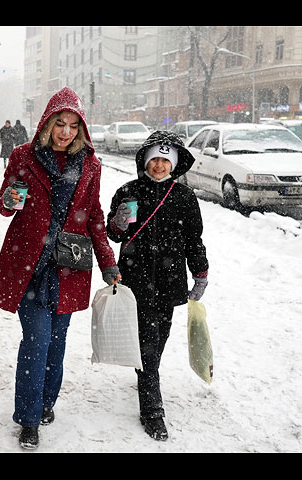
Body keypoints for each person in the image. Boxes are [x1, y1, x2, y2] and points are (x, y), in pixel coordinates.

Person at [0, 87, 121, 450]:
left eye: (72, 125)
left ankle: (46, 402)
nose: (65, 131)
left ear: (81, 129)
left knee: (57, 341)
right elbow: (5, 208)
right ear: (47, 124)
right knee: (36, 340)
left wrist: (108, 264)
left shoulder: (91, 165)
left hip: (69, 267)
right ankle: (29, 418)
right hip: (29, 265)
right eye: (59, 123)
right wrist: (12, 194)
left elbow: (95, 216)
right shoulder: (23, 156)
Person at [106, 130, 209, 442]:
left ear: (174, 164)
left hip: (169, 280)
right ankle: (152, 408)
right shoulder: (129, 191)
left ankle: (146, 371)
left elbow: (194, 239)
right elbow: (115, 233)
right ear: (146, 161)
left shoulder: (184, 197)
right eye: (155, 160)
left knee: (159, 336)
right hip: (135, 278)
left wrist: (200, 272)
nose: (160, 166)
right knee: (148, 339)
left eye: (166, 160)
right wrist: (120, 221)